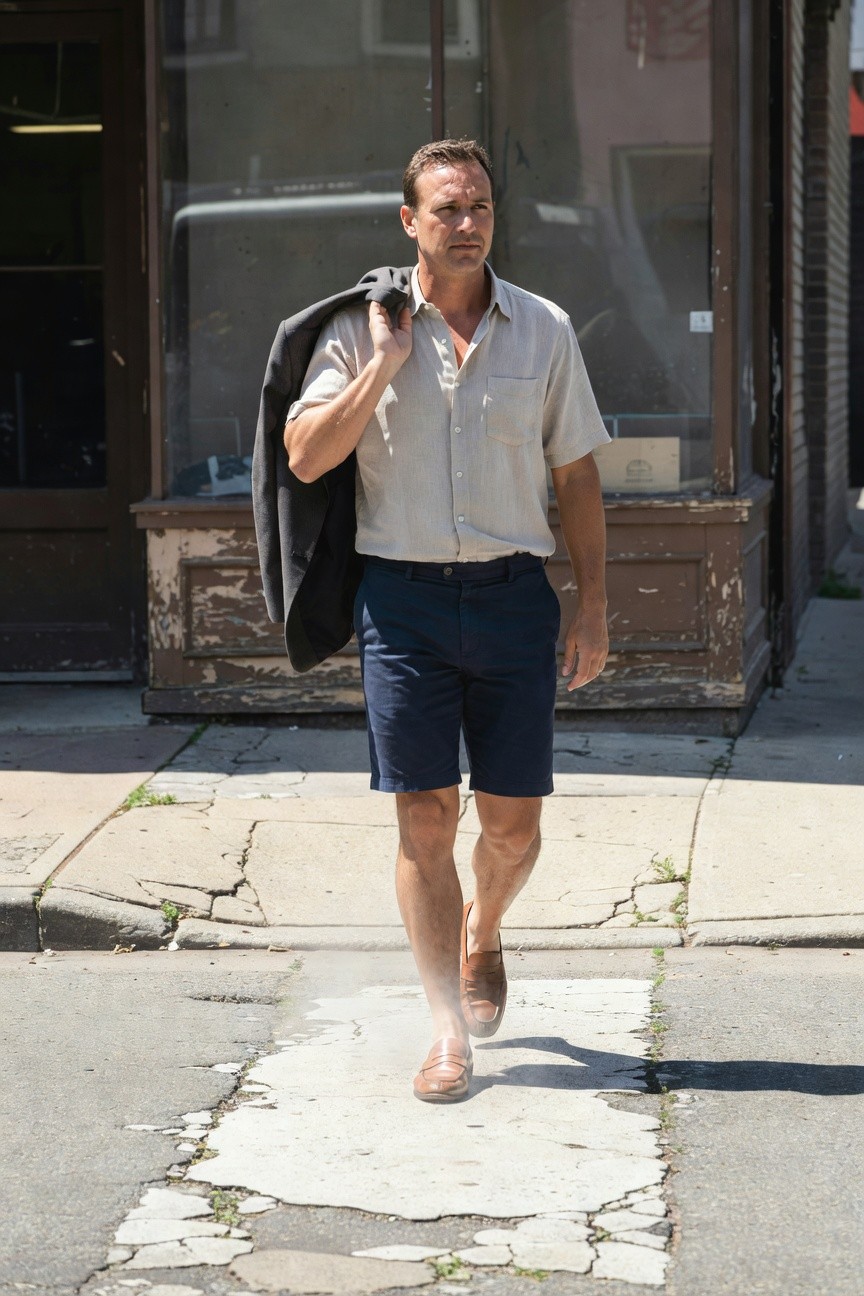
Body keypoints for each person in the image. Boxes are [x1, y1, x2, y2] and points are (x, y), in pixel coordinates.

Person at [283, 139, 610, 1102]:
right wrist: (382, 366)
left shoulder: (543, 329)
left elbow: (577, 475)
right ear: (410, 222)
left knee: (511, 829)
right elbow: (305, 456)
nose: (466, 223)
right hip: (405, 603)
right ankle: (443, 1032)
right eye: (447, 208)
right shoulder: (361, 327)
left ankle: (485, 930)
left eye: (479, 206)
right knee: (425, 822)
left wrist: (592, 607)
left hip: (513, 597)